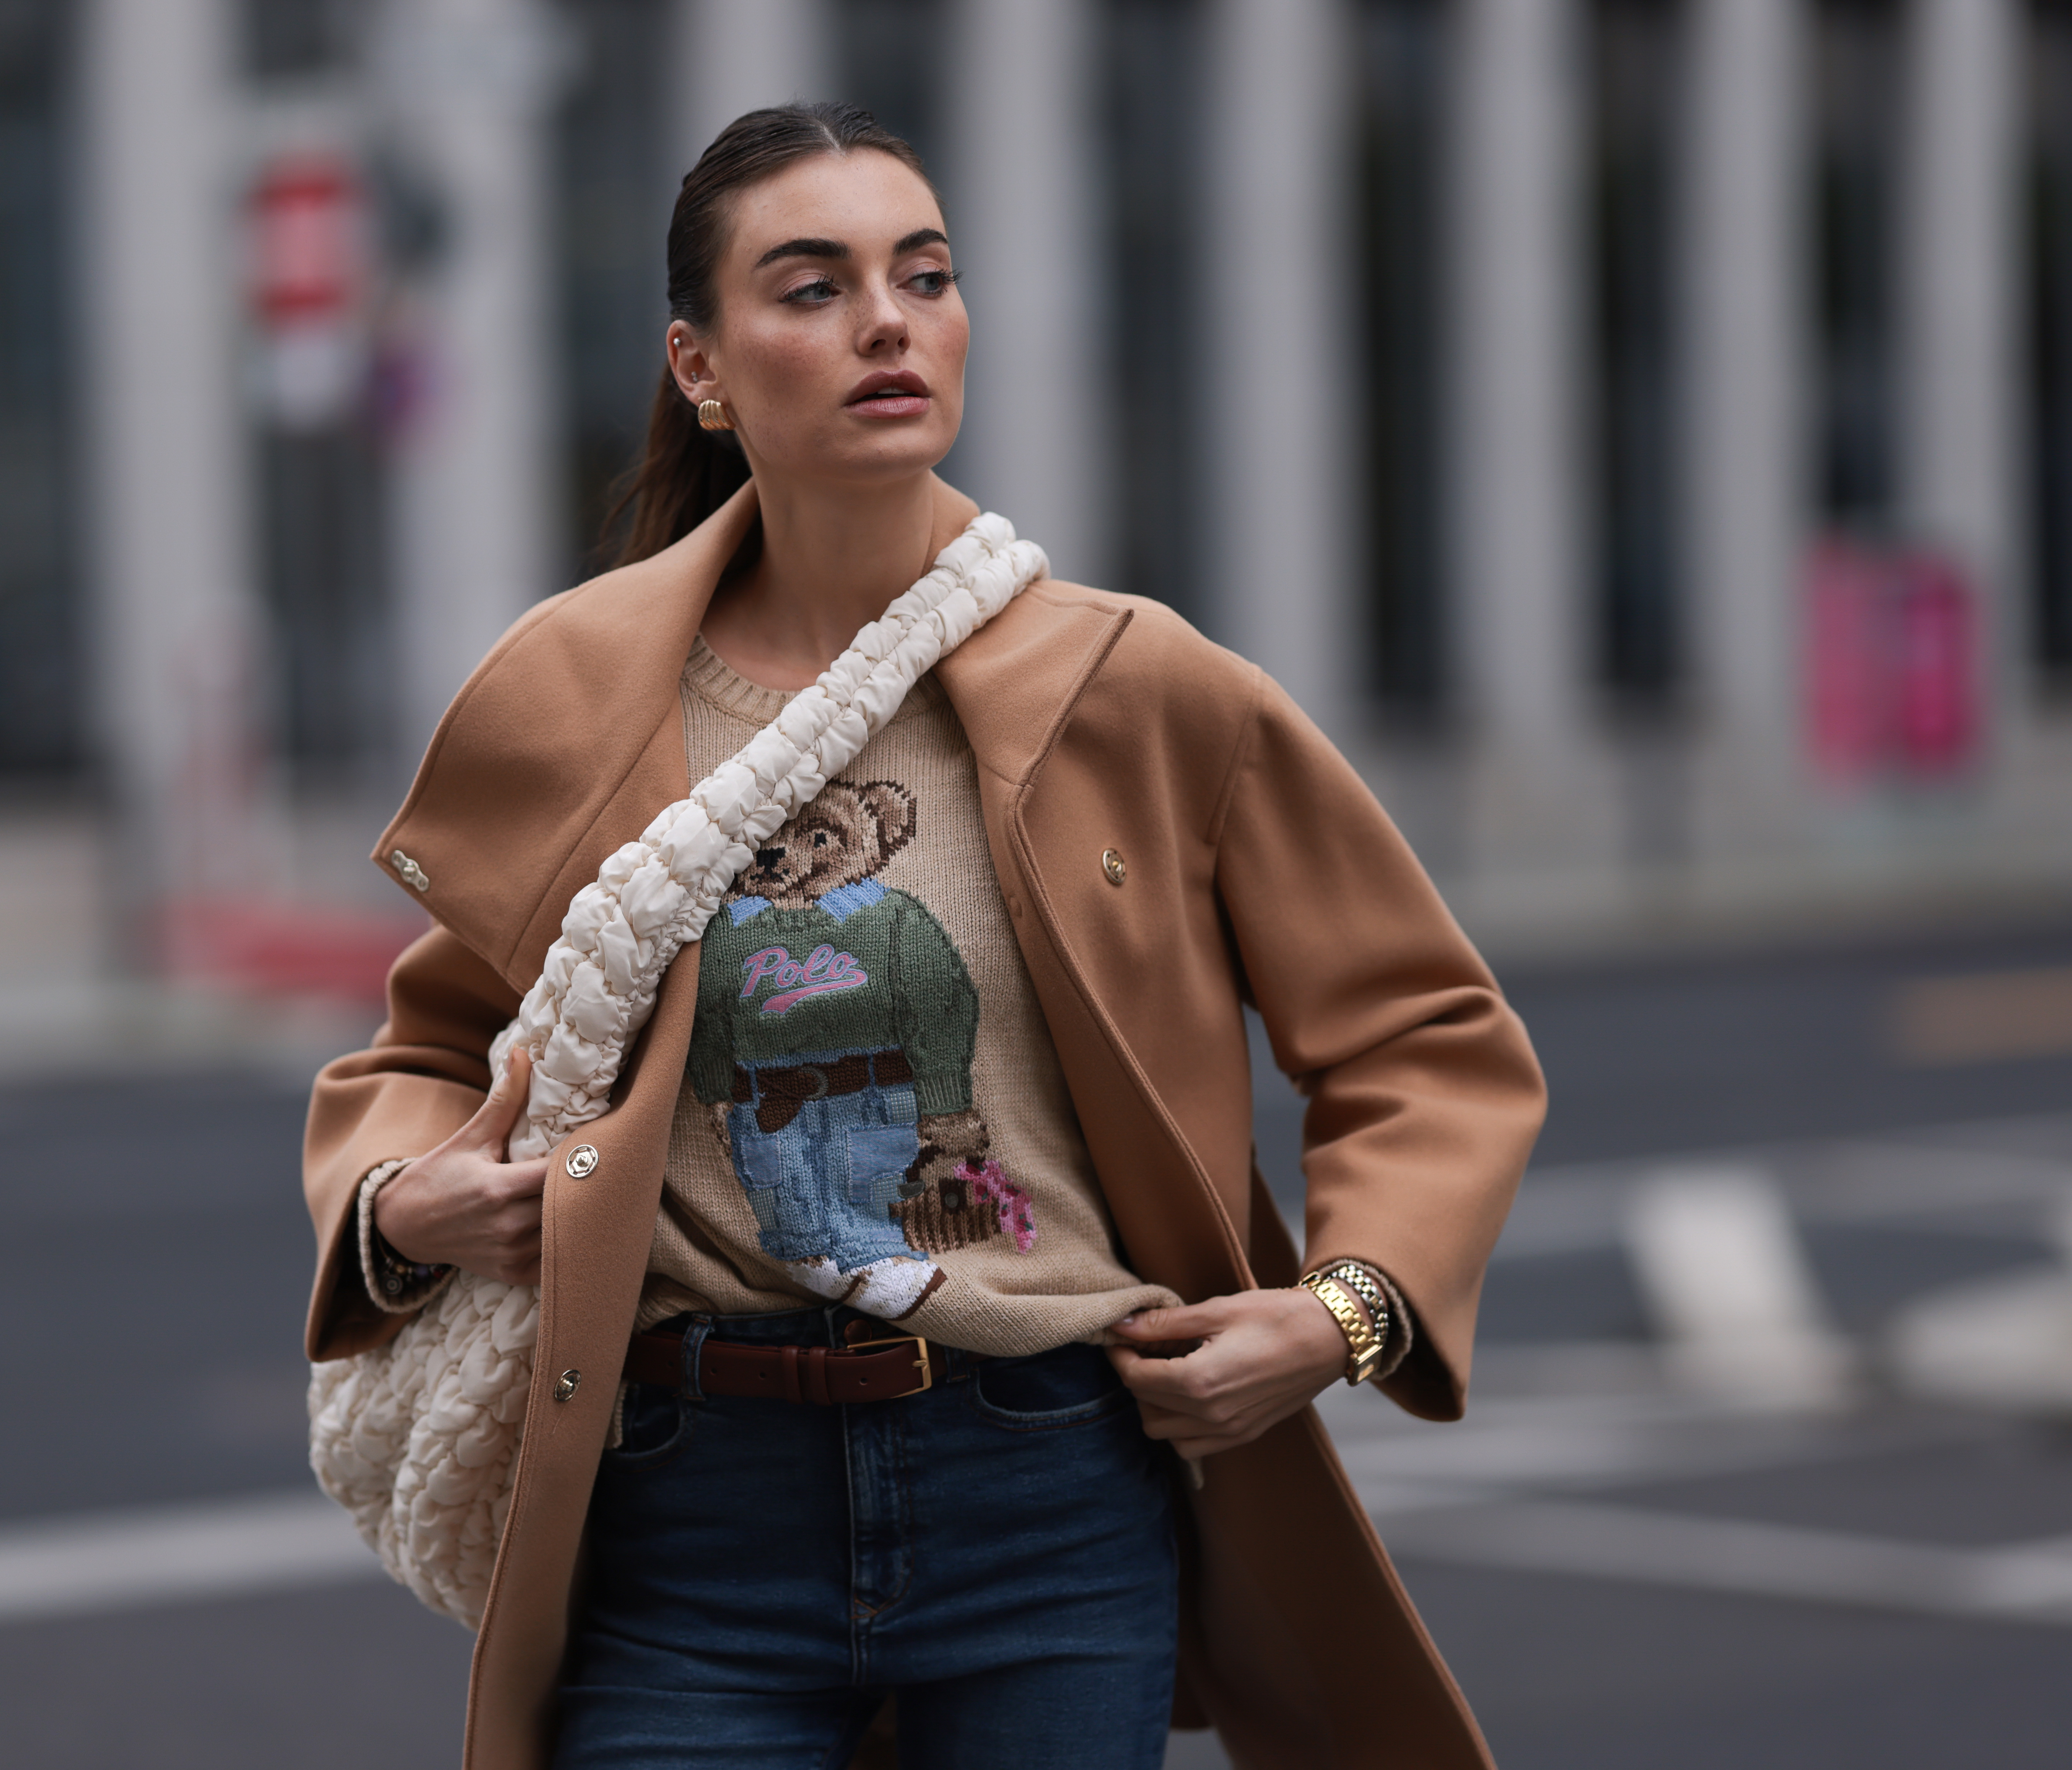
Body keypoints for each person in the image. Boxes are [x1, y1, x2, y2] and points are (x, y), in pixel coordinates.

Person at [303, 102, 1544, 1770]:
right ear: (701, 366)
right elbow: (428, 1049)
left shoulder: (1137, 682)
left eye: (924, 274)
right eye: (810, 287)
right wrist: (402, 1204)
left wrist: (1340, 1314)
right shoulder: (575, 687)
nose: (885, 320)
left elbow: (1418, 1034)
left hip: (1045, 1484)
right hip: (683, 1511)